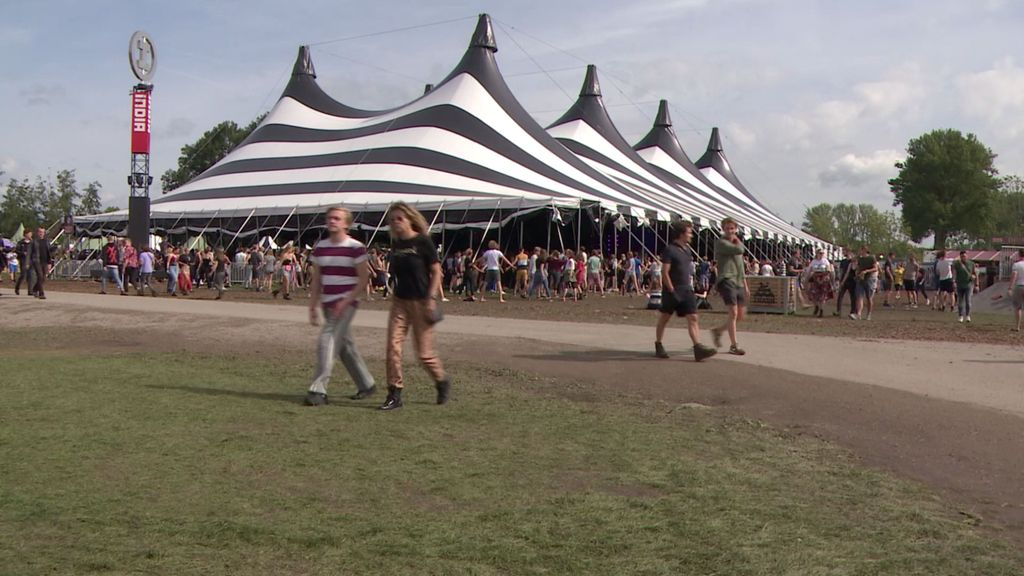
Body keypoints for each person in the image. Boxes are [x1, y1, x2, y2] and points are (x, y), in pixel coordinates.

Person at [380, 202, 451, 411]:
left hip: (421, 301)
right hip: (400, 301)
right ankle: (394, 392)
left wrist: (431, 297)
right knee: (393, 346)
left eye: (399, 218)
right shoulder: (396, 244)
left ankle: (441, 381)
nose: (395, 223)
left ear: (410, 219)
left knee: (424, 354)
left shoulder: (423, 242)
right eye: (392, 220)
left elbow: (437, 272)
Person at [304, 206, 375, 406]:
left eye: (337, 218)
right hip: (328, 303)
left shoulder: (356, 247)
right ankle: (366, 383)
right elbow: (317, 279)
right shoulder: (321, 247)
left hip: (346, 303)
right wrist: (312, 305)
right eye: (329, 218)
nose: (332, 221)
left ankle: (318, 389)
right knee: (345, 346)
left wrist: (346, 300)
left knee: (327, 340)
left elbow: (364, 278)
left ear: (346, 224)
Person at [654, 221, 717, 361]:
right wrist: (671, 290)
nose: (691, 236)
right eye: (689, 233)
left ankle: (697, 348)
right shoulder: (670, 250)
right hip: (672, 290)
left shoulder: (687, 250)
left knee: (693, 317)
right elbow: (665, 272)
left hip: (687, 289)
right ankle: (658, 344)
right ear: (681, 234)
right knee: (665, 317)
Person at [710, 218, 749, 355]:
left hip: (738, 281)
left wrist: (745, 284)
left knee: (741, 315)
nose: (730, 231)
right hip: (726, 279)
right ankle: (734, 345)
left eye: (732, 228)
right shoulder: (722, 243)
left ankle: (718, 331)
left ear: (736, 229)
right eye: (727, 228)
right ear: (723, 229)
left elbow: (740, 266)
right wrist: (737, 240)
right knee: (733, 312)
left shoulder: (735, 244)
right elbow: (740, 249)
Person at [805, 249, 834, 318]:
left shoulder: (825, 261)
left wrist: (826, 278)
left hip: (824, 280)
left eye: (822, 253)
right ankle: (817, 306)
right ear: (817, 253)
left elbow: (829, 270)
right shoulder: (813, 262)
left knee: (822, 296)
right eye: (820, 253)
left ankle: (821, 310)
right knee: (813, 295)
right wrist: (806, 279)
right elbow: (809, 271)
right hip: (815, 279)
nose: (821, 255)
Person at [852, 245, 878, 320]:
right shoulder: (859, 259)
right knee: (859, 296)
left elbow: (875, 268)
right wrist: (857, 272)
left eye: (860, 250)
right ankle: (858, 314)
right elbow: (856, 266)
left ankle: (868, 314)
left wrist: (866, 271)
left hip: (869, 280)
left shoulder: (871, 258)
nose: (859, 251)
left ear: (864, 250)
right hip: (860, 279)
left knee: (869, 297)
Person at [26, 227, 52, 299]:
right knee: (40, 276)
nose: (41, 233)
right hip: (36, 261)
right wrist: (27, 262)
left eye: (42, 232)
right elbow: (29, 253)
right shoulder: (33, 242)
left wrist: (49, 263)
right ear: (37, 233)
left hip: (45, 261)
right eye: (40, 232)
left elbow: (48, 253)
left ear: (44, 233)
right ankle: (41, 293)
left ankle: (34, 289)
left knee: (43, 278)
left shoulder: (46, 241)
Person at [952, 250, 977, 323]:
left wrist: (975, 281)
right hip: (959, 284)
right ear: (960, 257)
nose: (964, 258)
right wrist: (954, 281)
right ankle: (960, 316)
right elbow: (954, 273)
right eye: (962, 256)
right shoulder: (957, 264)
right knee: (960, 301)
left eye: (965, 256)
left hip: (968, 284)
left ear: (967, 256)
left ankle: (968, 315)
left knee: (968, 301)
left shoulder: (971, 264)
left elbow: (975, 273)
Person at [1008, 248, 1024, 332]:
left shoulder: (1017, 265)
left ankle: (1017, 327)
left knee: (1018, 307)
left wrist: (1010, 287)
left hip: (1019, 286)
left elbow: (1014, 276)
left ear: (1019, 254)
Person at [14, 230, 33, 296]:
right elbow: (16, 250)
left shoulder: (32, 242)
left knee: (30, 275)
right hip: (23, 260)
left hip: (31, 260)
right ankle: (17, 287)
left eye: (31, 234)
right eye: (29, 234)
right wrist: (23, 253)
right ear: (25, 234)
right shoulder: (21, 242)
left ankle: (30, 291)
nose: (30, 235)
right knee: (23, 275)